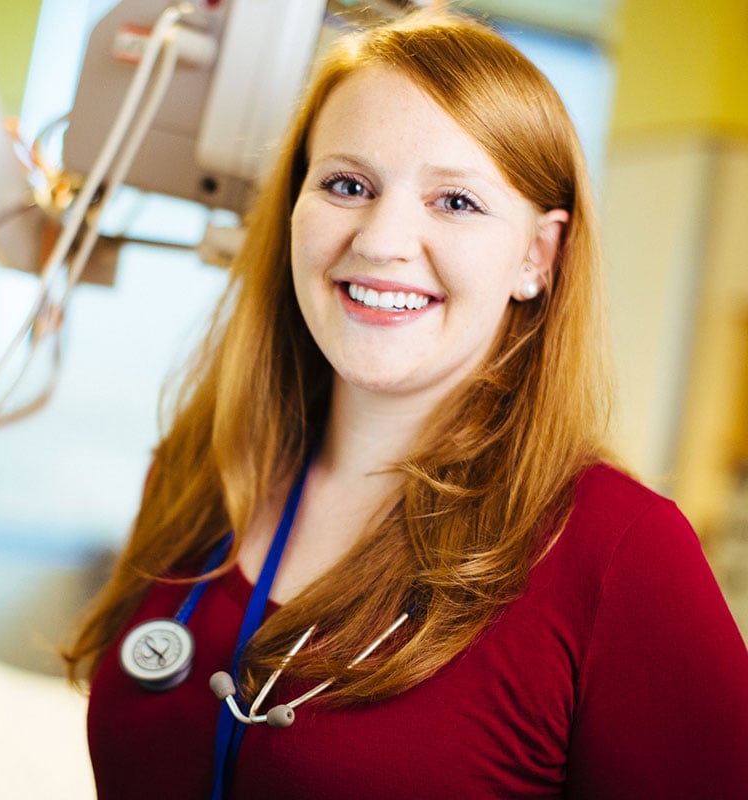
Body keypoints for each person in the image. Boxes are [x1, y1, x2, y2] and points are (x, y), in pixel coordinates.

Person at [63, 9, 748, 799]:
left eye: (455, 202)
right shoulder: (198, 466)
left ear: (537, 255)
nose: (383, 240)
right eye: (348, 185)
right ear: (293, 209)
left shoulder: (620, 556)